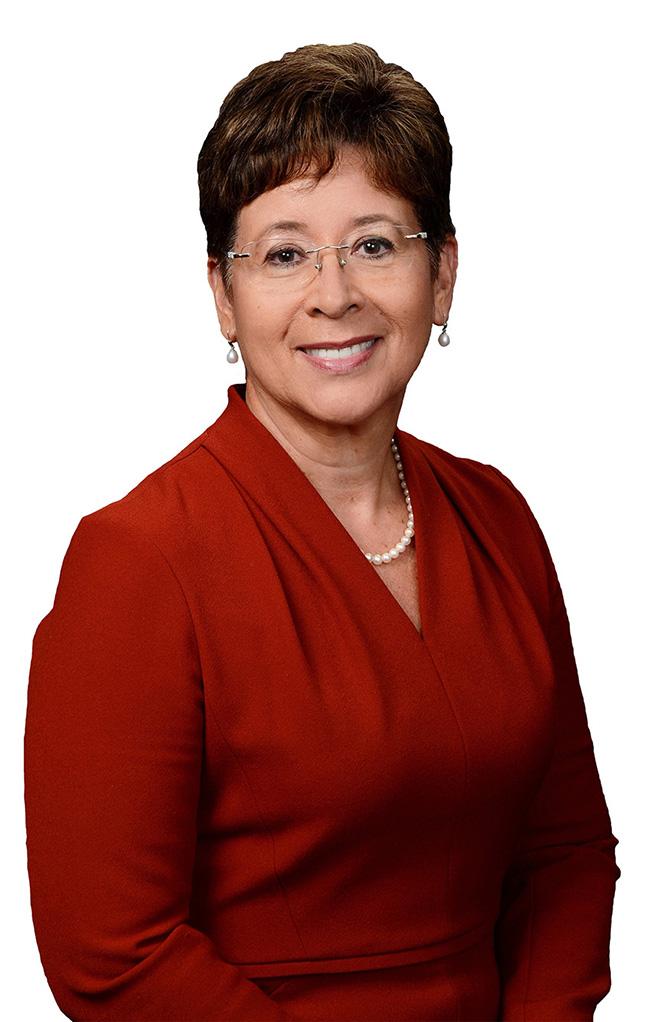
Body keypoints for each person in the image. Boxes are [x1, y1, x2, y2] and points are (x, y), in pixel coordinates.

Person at [25, 42, 618, 1022]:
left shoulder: (498, 516)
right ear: (222, 293)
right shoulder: (136, 560)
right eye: (285, 252)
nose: (333, 292)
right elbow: (112, 953)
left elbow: (562, 854)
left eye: (376, 243)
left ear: (442, 275)